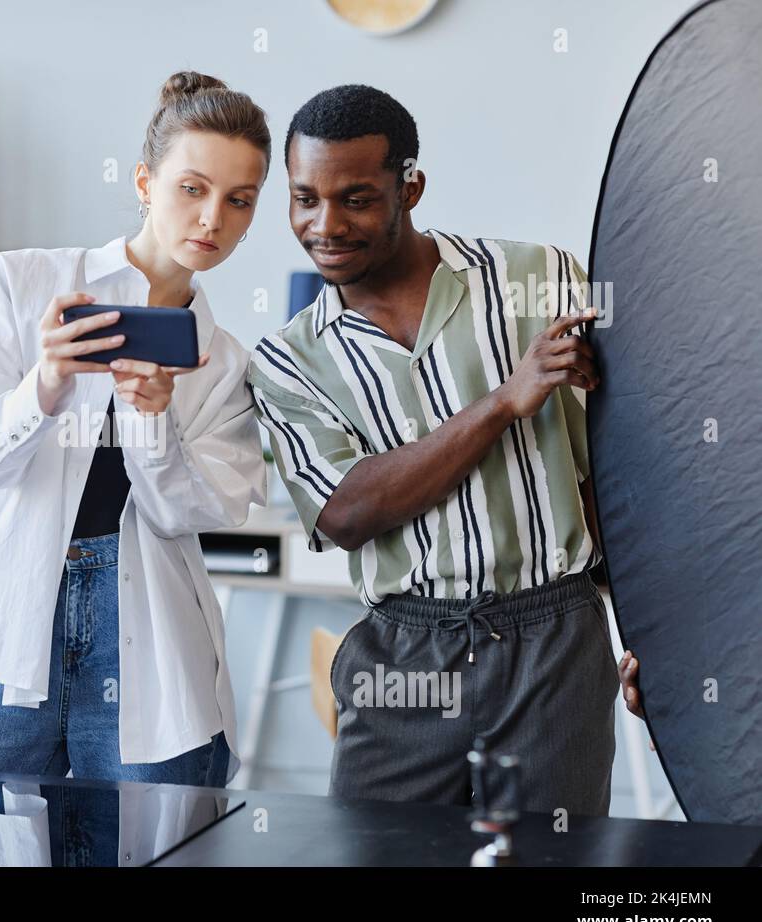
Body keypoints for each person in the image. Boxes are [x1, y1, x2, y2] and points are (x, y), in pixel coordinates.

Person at [248, 84, 646, 816]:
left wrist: (648, 635)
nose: (325, 225)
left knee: (548, 861)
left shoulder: (540, 279)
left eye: (356, 199)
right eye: (304, 199)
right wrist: (503, 402)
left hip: (555, 641)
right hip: (403, 654)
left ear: (411, 188)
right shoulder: (286, 360)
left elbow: (618, 474)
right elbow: (346, 513)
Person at [0, 71, 270, 787]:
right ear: (145, 182)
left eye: (239, 200)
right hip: (6, 626)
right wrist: (44, 387)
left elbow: (188, 515)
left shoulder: (223, 361)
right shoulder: (22, 285)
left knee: (156, 835)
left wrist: (154, 423)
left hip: (149, 640)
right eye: (192, 188)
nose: (213, 218)